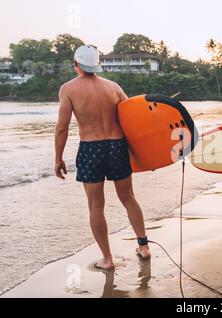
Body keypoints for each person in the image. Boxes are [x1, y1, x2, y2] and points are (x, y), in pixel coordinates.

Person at [54, 45, 150, 270]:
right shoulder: (113, 87)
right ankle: (144, 247)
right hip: (117, 146)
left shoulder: (68, 89)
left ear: (75, 63)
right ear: (97, 64)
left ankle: (107, 259)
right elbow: (132, 118)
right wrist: (141, 153)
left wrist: (58, 158)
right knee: (128, 197)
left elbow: (62, 128)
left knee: (96, 206)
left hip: (90, 148)